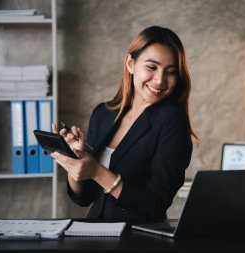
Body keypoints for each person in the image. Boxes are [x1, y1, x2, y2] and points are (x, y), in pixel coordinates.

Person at [51, 26, 198, 223]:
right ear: (130, 64)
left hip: (138, 239)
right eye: (152, 67)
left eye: (170, 72)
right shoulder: (103, 114)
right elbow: (84, 198)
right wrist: (76, 164)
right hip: (94, 232)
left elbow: (155, 205)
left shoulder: (172, 122)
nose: (160, 80)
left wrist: (97, 171)